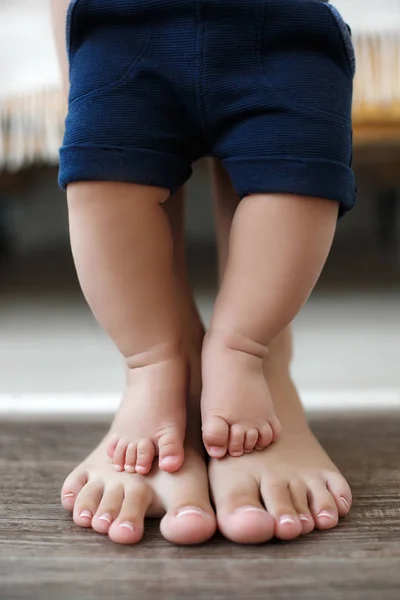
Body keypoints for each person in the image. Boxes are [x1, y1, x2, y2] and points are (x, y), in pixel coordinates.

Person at [53, 0, 354, 545]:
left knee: (295, 177)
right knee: (105, 177)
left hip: (284, 25)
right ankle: (154, 367)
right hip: (121, 27)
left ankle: (247, 355)